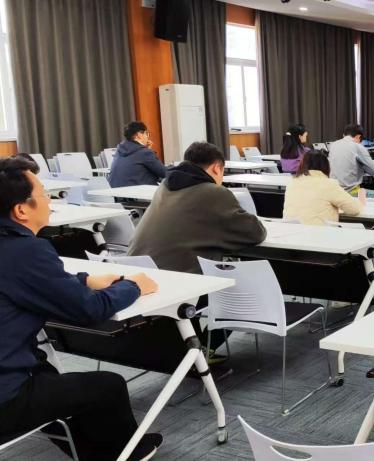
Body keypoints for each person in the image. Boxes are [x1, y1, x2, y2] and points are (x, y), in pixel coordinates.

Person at [0, 156, 163, 461]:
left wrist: (84, 279)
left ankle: (91, 451)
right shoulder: (26, 250)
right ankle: (124, 453)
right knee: (108, 386)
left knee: (49, 372)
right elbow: (89, 310)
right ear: (21, 210)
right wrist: (133, 286)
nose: (50, 200)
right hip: (5, 396)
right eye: (43, 194)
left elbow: (26, 282)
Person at [130, 141, 267, 274]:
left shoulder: (164, 187)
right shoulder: (213, 192)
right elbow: (255, 233)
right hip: (177, 280)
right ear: (216, 168)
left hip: (135, 274)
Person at [283, 151, 365, 225]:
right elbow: (354, 209)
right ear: (326, 166)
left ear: (302, 165)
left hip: (291, 233)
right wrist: (360, 203)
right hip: (320, 234)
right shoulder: (329, 184)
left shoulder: (292, 183)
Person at [328, 124, 374, 198]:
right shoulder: (358, 147)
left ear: (344, 135)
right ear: (358, 137)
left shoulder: (333, 145)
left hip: (333, 191)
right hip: (350, 192)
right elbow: (373, 171)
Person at [109, 121, 167, 188]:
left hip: (118, 193)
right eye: (146, 133)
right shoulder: (144, 153)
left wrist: (147, 149)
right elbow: (164, 173)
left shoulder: (119, 151)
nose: (147, 137)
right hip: (139, 193)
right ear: (139, 135)